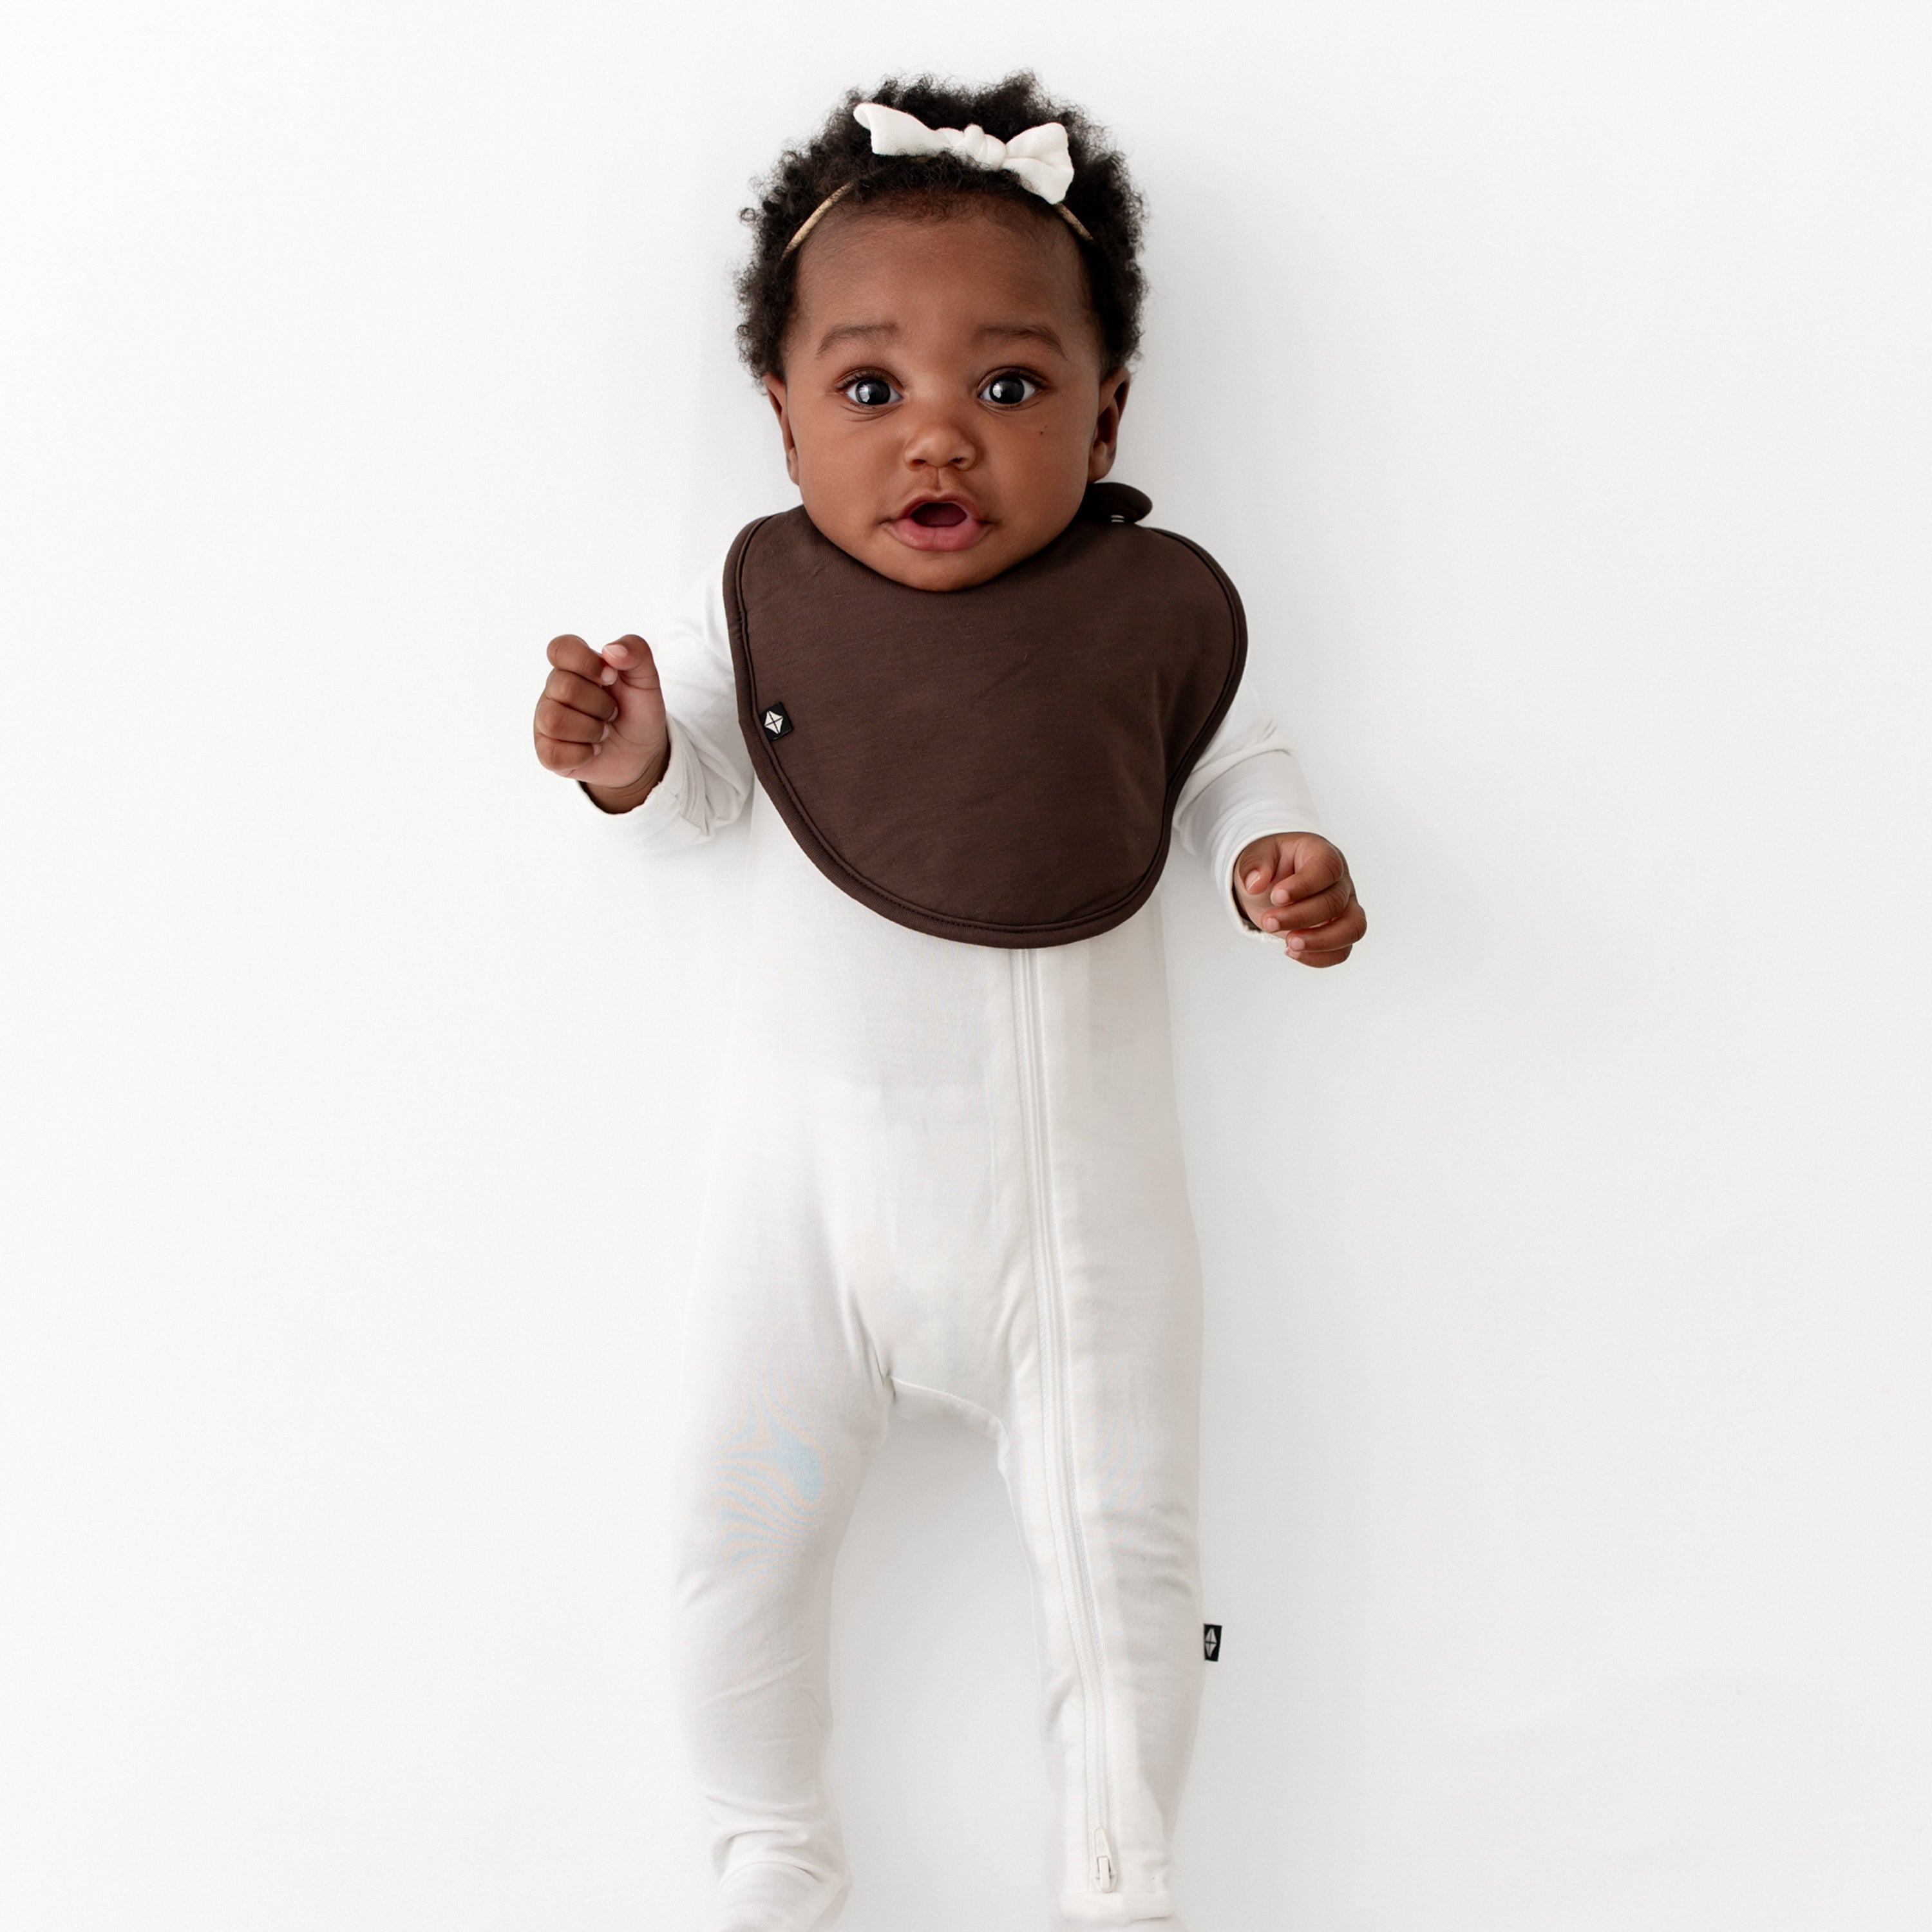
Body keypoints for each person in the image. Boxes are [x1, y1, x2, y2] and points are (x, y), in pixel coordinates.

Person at [529, 72, 1366, 1932]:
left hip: (1075, 1242)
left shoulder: (1149, 614)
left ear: (1109, 405)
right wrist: (629, 751)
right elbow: (701, 797)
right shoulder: (752, 605)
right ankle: (768, 1858)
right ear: (778, 414)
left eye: (1007, 388)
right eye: (867, 389)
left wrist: (1275, 861)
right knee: (726, 1547)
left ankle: (1122, 1883)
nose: (939, 443)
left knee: (1128, 1568)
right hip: (800, 1225)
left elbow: (1241, 768)